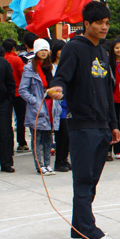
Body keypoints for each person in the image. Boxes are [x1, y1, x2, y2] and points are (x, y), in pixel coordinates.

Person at [48, 2, 120, 239]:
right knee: (83, 180)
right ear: (86, 24)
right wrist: (57, 88)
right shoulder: (74, 48)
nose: (104, 27)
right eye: (99, 23)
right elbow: (61, 77)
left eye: (107, 23)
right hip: (82, 125)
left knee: (91, 182)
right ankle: (90, 233)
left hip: (102, 125)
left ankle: (78, 228)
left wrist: (113, 123)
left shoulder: (103, 52)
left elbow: (107, 91)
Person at [19, 39, 60, 175]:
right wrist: (35, 101)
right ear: (36, 51)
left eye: (46, 50)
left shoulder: (50, 67)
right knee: (37, 138)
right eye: (41, 50)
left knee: (48, 136)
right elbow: (23, 90)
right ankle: (39, 165)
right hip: (37, 106)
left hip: (50, 105)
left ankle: (47, 164)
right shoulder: (29, 68)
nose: (43, 52)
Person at [0, 35, 15, 173]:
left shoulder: (3, 63)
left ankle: (6, 163)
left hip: (2, 103)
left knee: (4, 134)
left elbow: (10, 82)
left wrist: (8, 99)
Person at [2, 38, 27, 154]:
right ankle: (21, 143)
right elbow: (23, 75)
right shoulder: (17, 59)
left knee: (6, 120)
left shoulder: (0, 60)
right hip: (18, 92)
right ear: (13, 48)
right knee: (20, 119)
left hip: (5, 93)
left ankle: (8, 145)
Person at [51, 40, 72, 172]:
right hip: (57, 104)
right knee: (61, 134)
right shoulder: (51, 67)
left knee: (68, 134)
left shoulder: (68, 66)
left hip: (68, 103)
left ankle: (65, 159)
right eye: (60, 49)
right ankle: (59, 161)